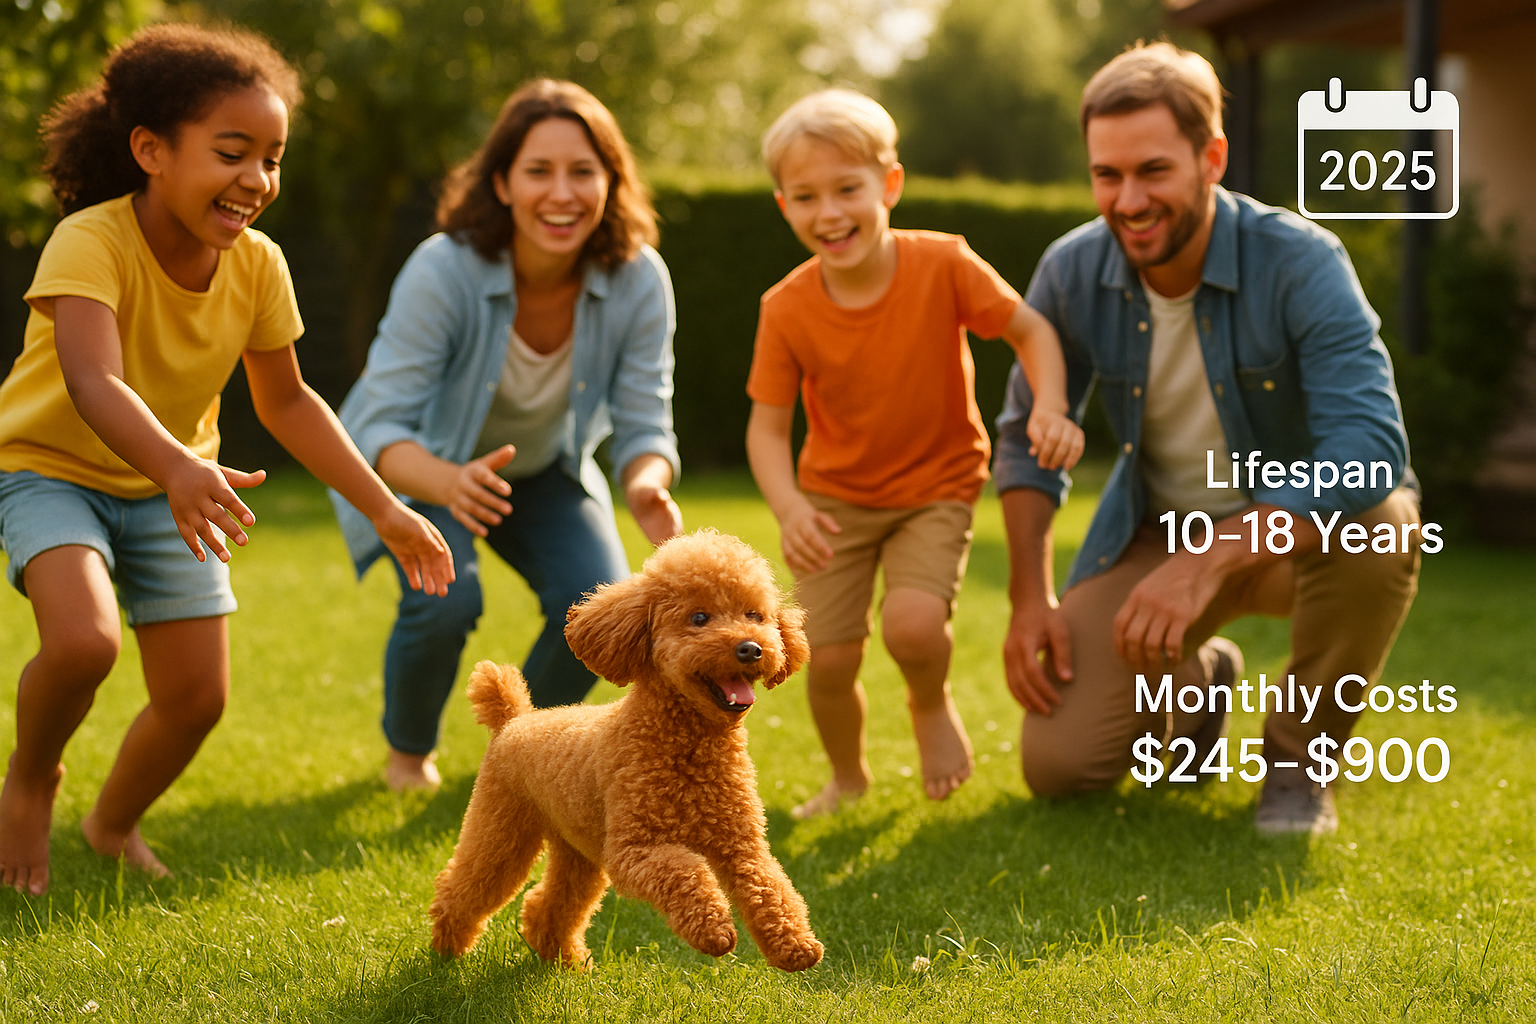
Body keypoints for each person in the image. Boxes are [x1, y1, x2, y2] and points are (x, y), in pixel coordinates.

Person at [0, 24, 453, 895]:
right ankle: (31, 780)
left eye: (273, 159)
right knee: (85, 643)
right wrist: (176, 467)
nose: (257, 180)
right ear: (151, 150)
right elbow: (92, 380)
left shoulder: (258, 265)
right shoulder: (89, 241)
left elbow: (287, 402)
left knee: (196, 700)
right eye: (233, 152)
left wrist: (385, 506)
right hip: (50, 469)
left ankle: (110, 824)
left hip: (177, 485)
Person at [997, 43, 1422, 835]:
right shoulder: (1071, 271)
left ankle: (1299, 762)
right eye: (1106, 175)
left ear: (1211, 157)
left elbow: (1370, 445)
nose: (1127, 200)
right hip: (1160, 535)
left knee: (1383, 523)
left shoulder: (1300, 262)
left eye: (1152, 170)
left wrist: (1214, 554)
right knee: (1059, 768)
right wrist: (1030, 598)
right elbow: (1024, 438)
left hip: (1295, 539)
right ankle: (1200, 685)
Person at [332, 80, 683, 792]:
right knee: (446, 597)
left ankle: (524, 760)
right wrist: (446, 481)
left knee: (597, 607)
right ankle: (409, 758)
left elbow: (646, 412)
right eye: (539, 171)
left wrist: (647, 480)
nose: (563, 193)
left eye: (584, 172)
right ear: (501, 183)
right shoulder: (445, 267)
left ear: (611, 182)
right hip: (426, 462)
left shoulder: (639, 276)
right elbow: (380, 422)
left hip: (544, 465)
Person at [745, 89, 1084, 819]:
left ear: (889, 185)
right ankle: (847, 778)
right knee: (826, 660)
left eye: (847, 189)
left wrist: (1049, 405)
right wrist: (790, 506)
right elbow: (767, 431)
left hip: (937, 485)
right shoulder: (786, 307)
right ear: (784, 207)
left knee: (912, 624)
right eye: (807, 197)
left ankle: (929, 706)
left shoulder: (943, 264)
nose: (829, 212)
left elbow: (1032, 332)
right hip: (831, 501)